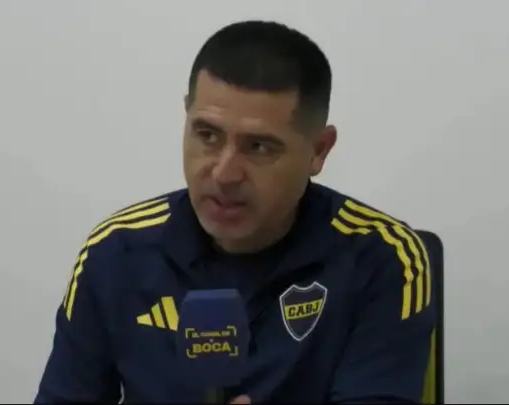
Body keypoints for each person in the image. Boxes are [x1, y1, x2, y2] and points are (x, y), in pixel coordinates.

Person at [34, 20, 436, 404]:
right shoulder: (115, 253)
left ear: (318, 150)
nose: (224, 174)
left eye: (259, 147)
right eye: (207, 135)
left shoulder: (383, 257)